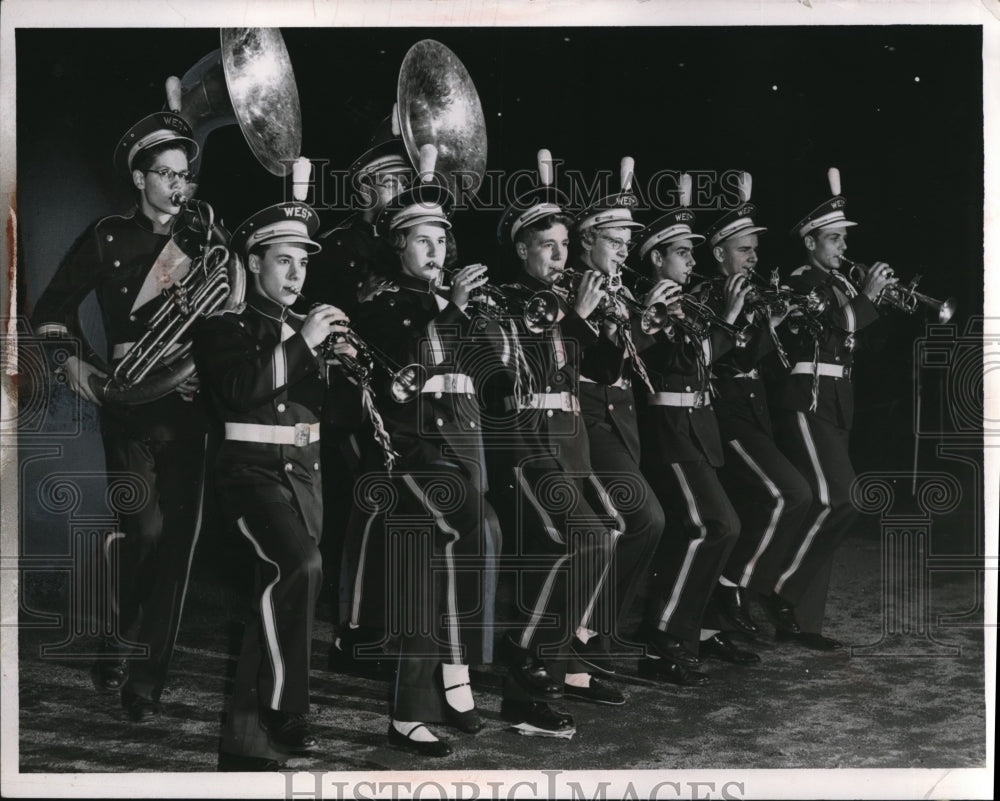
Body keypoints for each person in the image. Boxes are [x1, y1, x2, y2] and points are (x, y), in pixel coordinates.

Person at [32, 112, 208, 722]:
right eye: (166, 174)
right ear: (139, 178)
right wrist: (77, 365)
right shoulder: (106, 236)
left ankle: (145, 679)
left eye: (185, 175)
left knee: (179, 547)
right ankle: (119, 634)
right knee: (145, 535)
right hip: (128, 403)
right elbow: (50, 311)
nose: (180, 187)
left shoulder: (208, 240)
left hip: (190, 408)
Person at [194, 201, 350, 771]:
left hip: (305, 479)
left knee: (281, 599)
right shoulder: (221, 326)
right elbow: (240, 389)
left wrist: (348, 374)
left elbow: (339, 418)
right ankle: (287, 710)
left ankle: (245, 751)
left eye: (301, 265)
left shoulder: (306, 336)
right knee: (299, 569)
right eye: (282, 261)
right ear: (253, 262)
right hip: (248, 479)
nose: (294, 275)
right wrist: (304, 345)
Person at [354, 172, 501, 758]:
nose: (435, 251)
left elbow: (494, 381)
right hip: (410, 452)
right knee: (438, 552)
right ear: (398, 247)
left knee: (469, 541)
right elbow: (400, 372)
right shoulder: (384, 304)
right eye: (421, 241)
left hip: (462, 451)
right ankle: (424, 699)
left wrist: (482, 322)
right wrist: (456, 312)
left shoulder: (453, 306)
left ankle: (454, 673)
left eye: (441, 240)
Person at [481, 151, 625, 735]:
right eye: (548, 245)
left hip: (570, 441)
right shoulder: (502, 300)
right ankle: (523, 659)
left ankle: (545, 663)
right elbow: (507, 379)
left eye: (565, 244)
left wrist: (606, 322)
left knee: (604, 535)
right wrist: (571, 318)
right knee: (562, 545)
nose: (562, 255)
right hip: (525, 440)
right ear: (521, 249)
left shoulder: (569, 300)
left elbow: (610, 371)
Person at [629, 194, 760, 686]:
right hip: (670, 432)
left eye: (690, 251)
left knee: (715, 527)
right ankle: (662, 638)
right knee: (713, 526)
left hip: (697, 431)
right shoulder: (653, 302)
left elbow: (703, 356)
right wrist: (724, 317)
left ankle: (688, 631)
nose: (690, 260)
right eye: (682, 252)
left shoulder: (682, 303)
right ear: (658, 257)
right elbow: (676, 363)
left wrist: (731, 317)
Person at [302, 120, 413, 678]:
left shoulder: (411, 241)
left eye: (404, 180)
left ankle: (382, 626)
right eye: (390, 182)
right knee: (366, 508)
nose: (401, 190)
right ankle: (351, 634)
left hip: (404, 397)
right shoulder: (339, 245)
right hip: (352, 396)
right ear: (365, 188)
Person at [766, 169, 895, 650]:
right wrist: (868, 299)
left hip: (838, 401)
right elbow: (828, 327)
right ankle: (780, 589)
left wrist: (877, 303)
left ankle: (803, 623)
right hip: (807, 397)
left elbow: (866, 342)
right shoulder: (802, 281)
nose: (842, 247)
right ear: (810, 241)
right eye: (834, 238)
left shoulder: (843, 283)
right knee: (841, 499)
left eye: (843, 238)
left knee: (827, 504)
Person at [565, 159, 666, 690]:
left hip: (622, 427)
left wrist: (647, 321)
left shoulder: (619, 287)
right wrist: (642, 323)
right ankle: (583, 635)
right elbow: (601, 364)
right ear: (587, 242)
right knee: (640, 518)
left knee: (642, 522)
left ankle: (593, 635)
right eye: (616, 238)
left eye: (629, 238)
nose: (627, 248)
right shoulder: (571, 289)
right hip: (586, 424)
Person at [699, 180, 813, 641]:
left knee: (759, 507)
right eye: (743, 250)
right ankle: (731, 588)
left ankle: (715, 617)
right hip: (725, 416)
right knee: (792, 493)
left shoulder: (755, 292)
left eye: (755, 250)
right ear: (719, 255)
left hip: (754, 412)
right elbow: (731, 357)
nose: (753, 258)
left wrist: (780, 324)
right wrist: (766, 326)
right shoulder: (709, 295)